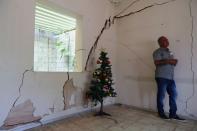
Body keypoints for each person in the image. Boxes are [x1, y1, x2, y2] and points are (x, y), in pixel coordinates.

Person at [153, 36, 185, 120]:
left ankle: (173, 114)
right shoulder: (157, 52)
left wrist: (172, 61)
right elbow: (156, 63)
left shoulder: (170, 52)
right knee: (161, 96)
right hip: (161, 76)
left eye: (167, 40)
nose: (167, 41)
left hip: (170, 77)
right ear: (160, 42)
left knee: (174, 94)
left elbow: (174, 62)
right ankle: (161, 113)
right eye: (165, 40)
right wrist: (168, 61)